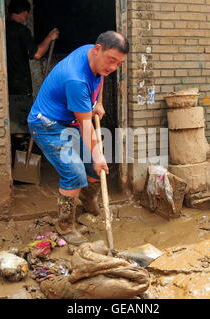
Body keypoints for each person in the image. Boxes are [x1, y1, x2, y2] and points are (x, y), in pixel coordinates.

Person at [28, 31, 129, 245]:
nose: (113, 67)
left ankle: (87, 198)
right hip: (47, 124)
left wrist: (98, 103)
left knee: (94, 167)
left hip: (69, 121)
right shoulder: (75, 79)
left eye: (119, 63)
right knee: (74, 173)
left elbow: (100, 77)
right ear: (97, 49)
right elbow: (85, 125)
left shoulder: (92, 55)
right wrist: (98, 154)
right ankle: (65, 225)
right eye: (111, 60)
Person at [6, 0, 59, 137]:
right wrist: (49, 37)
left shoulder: (1, 29)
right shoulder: (21, 30)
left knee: (10, 125)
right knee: (20, 129)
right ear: (24, 14)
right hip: (19, 88)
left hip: (4, 87)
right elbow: (37, 53)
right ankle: (20, 153)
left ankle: (14, 153)